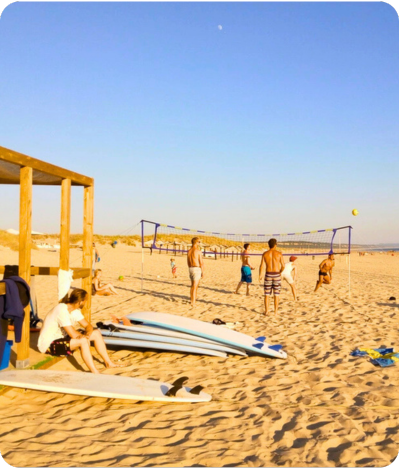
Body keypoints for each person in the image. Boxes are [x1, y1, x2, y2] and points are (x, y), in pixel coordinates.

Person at [38, 289, 122, 373]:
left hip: (62, 338)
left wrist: (88, 333)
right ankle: (95, 371)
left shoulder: (74, 310)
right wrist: (85, 337)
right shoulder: (61, 310)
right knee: (83, 341)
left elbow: (88, 325)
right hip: (48, 345)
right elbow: (73, 334)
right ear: (80, 302)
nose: (86, 303)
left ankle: (109, 363)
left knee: (96, 333)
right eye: (85, 300)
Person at [259, 238, 285, 315]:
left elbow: (261, 266)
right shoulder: (279, 253)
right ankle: (275, 312)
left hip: (268, 274)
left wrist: (260, 275)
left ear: (269, 245)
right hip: (276, 274)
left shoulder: (265, 253)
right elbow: (283, 266)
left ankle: (266, 311)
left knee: (267, 294)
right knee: (276, 294)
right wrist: (280, 272)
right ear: (275, 245)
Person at [187, 237, 204, 307]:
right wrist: (202, 272)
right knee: (195, 286)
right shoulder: (198, 251)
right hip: (196, 268)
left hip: (190, 268)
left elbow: (188, 262)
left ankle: (192, 300)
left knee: (193, 286)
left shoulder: (189, 251)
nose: (200, 243)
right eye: (199, 242)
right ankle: (193, 302)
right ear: (196, 242)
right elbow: (201, 263)